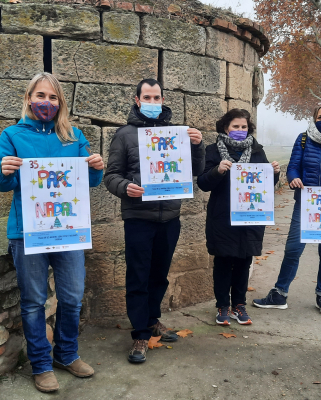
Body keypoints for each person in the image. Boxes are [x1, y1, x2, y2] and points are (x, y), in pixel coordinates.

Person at [0, 73, 104, 393]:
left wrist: (95, 167)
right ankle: (40, 364)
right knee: (33, 301)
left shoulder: (73, 135)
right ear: (29, 99)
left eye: (54, 98)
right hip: (28, 231)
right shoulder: (12, 135)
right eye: (41, 96)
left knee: (71, 296)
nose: (47, 103)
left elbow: (90, 183)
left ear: (61, 103)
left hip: (68, 231)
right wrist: (4, 170)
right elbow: (0, 183)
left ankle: (66, 354)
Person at [104, 78, 205, 363]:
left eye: (156, 97)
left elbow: (195, 171)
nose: (152, 102)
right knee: (138, 274)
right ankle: (139, 334)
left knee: (159, 273)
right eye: (146, 98)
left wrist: (197, 145)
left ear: (162, 100)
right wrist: (125, 188)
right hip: (138, 216)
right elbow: (111, 176)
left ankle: (151, 319)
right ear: (137, 100)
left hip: (170, 216)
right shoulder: (124, 135)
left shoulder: (176, 133)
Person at [253, 102, 321, 316]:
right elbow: (292, 167)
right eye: (320, 117)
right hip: (306, 202)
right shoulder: (303, 139)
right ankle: (279, 293)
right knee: (293, 249)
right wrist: (294, 179)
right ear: (313, 118)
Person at [197, 109, 280, 326]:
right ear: (226, 128)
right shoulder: (213, 151)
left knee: (244, 261)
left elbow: (265, 186)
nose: (240, 131)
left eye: (244, 127)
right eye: (236, 126)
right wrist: (218, 171)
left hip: (250, 217)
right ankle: (222, 305)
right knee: (223, 262)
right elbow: (203, 183)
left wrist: (275, 173)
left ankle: (239, 305)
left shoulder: (257, 151)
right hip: (223, 217)